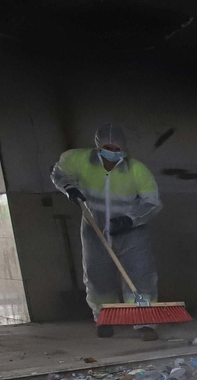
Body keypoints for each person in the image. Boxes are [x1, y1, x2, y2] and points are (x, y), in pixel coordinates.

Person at [50, 123, 162, 338]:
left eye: (116, 148)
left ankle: (144, 321)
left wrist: (129, 220)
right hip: (95, 227)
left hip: (131, 232)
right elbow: (58, 172)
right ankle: (105, 318)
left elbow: (151, 203)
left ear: (124, 148)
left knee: (140, 275)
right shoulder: (79, 161)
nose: (112, 152)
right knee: (97, 275)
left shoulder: (137, 170)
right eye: (107, 147)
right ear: (97, 145)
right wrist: (69, 188)